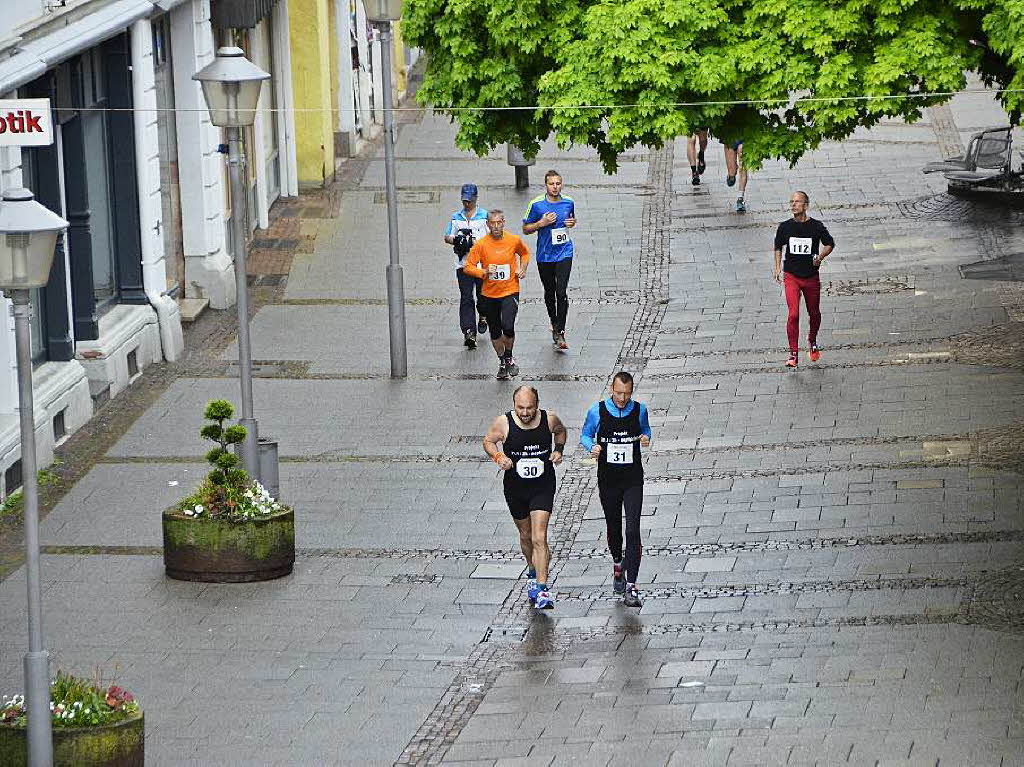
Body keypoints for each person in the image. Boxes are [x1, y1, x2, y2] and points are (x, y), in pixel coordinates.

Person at [483, 386, 567, 610]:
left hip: (542, 486)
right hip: (515, 488)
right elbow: (488, 441)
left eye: (530, 408)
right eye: (520, 408)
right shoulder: (504, 422)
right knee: (526, 535)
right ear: (514, 405)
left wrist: (558, 450)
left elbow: (560, 431)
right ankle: (531, 569)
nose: (525, 412)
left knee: (540, 537)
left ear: (537, 404)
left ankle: (541, 589)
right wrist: (499, 456)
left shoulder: (548, 420)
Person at [580, 371, 651, 608]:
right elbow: (585, 435)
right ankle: (618, 562)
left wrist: (645, 438)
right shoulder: (597, 411)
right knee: (614, 527)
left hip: (632, 479)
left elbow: (646, 430)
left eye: (627, 394)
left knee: (633, 530)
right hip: (608, 479)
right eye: (619, 393)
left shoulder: (639, 409)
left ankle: (632, 585)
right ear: (612, 388)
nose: (622, 398)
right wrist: (592, 447)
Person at [462, 210, 530, 379]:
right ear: (488, 225)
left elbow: (525, 253)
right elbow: (468, 266)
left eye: (499, 222)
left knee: (508, 326)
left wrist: (522, 268)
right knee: (495, 331)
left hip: (510, 290)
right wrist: (483, 272)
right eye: (493, 223)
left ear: (504, 222)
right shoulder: (481, 244)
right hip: (489, 294)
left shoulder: (513, 240)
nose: (496, 226)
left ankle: (509, 356)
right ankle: (502, 361)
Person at [773, 191, 835, 368]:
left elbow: (830, 243)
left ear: (806, 206)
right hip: (791, 276)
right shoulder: (784, 227)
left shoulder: (816, 227)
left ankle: (812, 340)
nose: (793, 205)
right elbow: (778, 246)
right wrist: (777, 267)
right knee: (793, 314)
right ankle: (793, 353)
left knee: (814, 313)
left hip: (810, 276)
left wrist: (820, 257)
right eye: (791, 201)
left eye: (797, 202)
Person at [522, 170, 576, 351]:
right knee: (550, 291)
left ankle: (560, 330)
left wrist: (572, 223)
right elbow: (525, 228)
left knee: (561, 291)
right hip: (545, 255)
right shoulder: (536, 205)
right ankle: (553, 320)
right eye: (552, 184)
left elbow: (571, 219)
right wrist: (540, 224)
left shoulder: (568, 202)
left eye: (558, 183)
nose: (555, 187)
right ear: (546, 185)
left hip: (564, 252)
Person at [444, 183, 489, 348]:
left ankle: (484, 315)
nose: (467, 204)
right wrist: (457, 240)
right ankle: (469, 331)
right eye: (464, 201)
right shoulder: (456, 217)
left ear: (476, 199)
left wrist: (476, 242)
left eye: (469, 200)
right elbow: (447, 236)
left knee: (483, 295)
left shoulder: (484, 216)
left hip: (481, 266)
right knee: (466, 297)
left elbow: (493, 237)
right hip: (463, 264)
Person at [724, 140, 748, 213]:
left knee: (743, 165)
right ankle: (731, 175)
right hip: (730, 136)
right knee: (732, 172)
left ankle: (740, 198)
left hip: (745, 135)